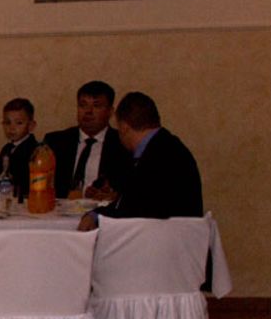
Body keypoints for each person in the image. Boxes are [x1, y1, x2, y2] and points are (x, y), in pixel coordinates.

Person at [81, 92, 203, 227]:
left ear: (124, 127)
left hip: (162, 235)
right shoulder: (166, 146)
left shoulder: (157, 157)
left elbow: (135, 210)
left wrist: (97, 217)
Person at [43, 81, 130, 199]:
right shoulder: (56, 142)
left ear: (110, 112)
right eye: (82, 105)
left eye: (96, 106)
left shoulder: (122, 144)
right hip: (60, 208)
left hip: (103, 208)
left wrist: (112, 195)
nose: (88, 111)